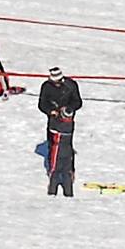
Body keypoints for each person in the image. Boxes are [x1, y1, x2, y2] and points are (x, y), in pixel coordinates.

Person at [39, 68, 81, 197]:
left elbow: (78, 102)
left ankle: (69, 172)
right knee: (53, 146)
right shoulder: (46, 86)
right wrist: (51, 110)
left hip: (67, 122)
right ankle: (53, 171)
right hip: (53, 121)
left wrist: (68, 109)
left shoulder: (71, 85)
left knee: (67, 147)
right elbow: (42, 104)